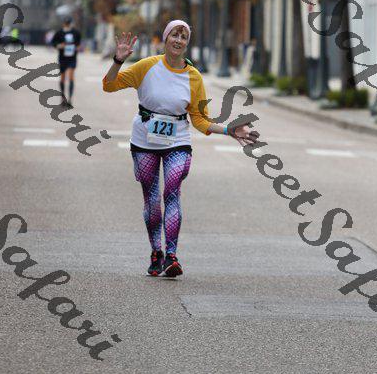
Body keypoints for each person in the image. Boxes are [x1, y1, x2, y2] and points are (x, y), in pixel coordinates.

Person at [102, 19, 259, 278]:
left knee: (172, 191)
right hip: (144, 140)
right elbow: (109, 85)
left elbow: (200, 120)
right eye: (174, 35)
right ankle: (156, 252)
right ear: (165, 39)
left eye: (183, 37)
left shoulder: (193, 76)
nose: (178, 40)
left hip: (178, 141)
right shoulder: (146, 66)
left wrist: (229, 130)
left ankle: (171, 256)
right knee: (152, 199)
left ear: (187, 43)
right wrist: (118, 61)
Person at [52, 17, 81, 107]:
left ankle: (70, 99)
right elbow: (54, 43)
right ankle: (63, 98)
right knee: (62, 78)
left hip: (72, 58)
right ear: (63, 24)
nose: (67, 25)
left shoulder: (76, 33)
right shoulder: (59, 33)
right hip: (62, 58)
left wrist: (76, 48)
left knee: (71, 76)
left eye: (69, 23)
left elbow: (79, 44)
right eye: (66, 23)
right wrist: (60, 46)